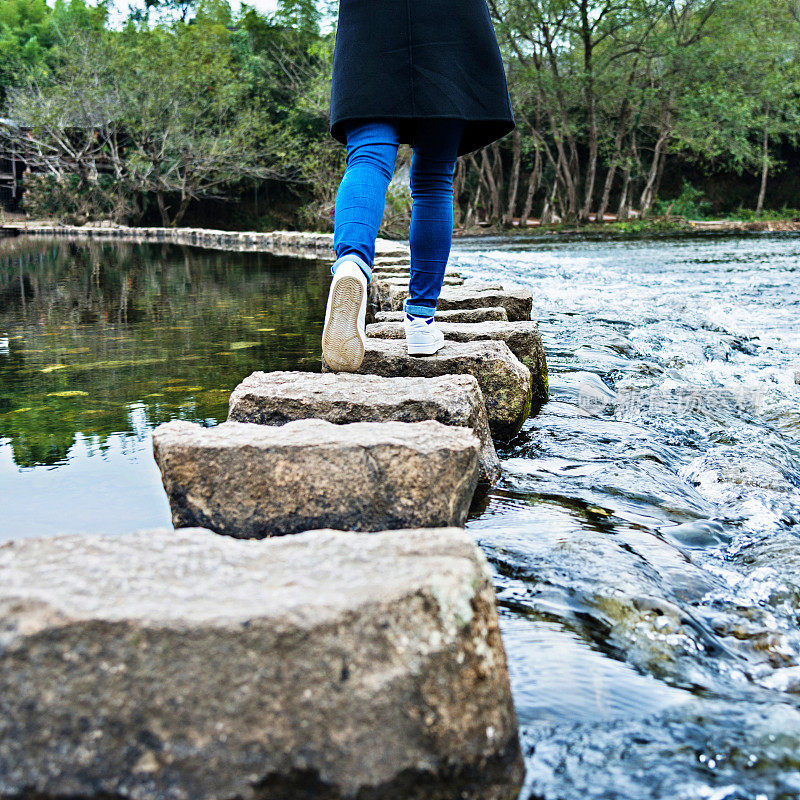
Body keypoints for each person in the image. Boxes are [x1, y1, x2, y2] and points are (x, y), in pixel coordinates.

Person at [321, 0, 515, 372]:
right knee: (433, 180)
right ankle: (421, 324)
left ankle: (351, 266)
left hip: (372, 24)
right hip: (449, 25)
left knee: (367, 158)